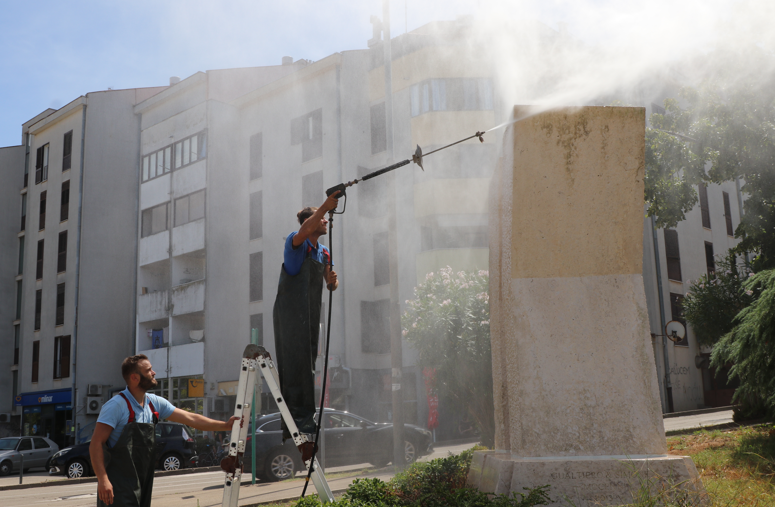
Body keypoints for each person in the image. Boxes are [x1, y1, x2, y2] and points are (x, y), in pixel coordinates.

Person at [90, 354, 237, 506]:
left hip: (143, 482)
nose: (153, 373)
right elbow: (96, 444)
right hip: (117, 486)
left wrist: (225, 425)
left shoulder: (154, 403)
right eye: (148, 370)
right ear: (135, 378)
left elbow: (192, 419)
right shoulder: (115, 406)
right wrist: (103, 480)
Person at [273, 192, 340, 447]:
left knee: (308, 365)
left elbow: (329, 283)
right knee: (294, 365)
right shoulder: (295, 242)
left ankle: (305, 419)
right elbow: (305, 229)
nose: (326, 221)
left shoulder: (323, 252)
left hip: (310, 314)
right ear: (310, 221)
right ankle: (294, 421)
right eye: (321, 219)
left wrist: (333, 282)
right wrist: (325, 205)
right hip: (290, 313)